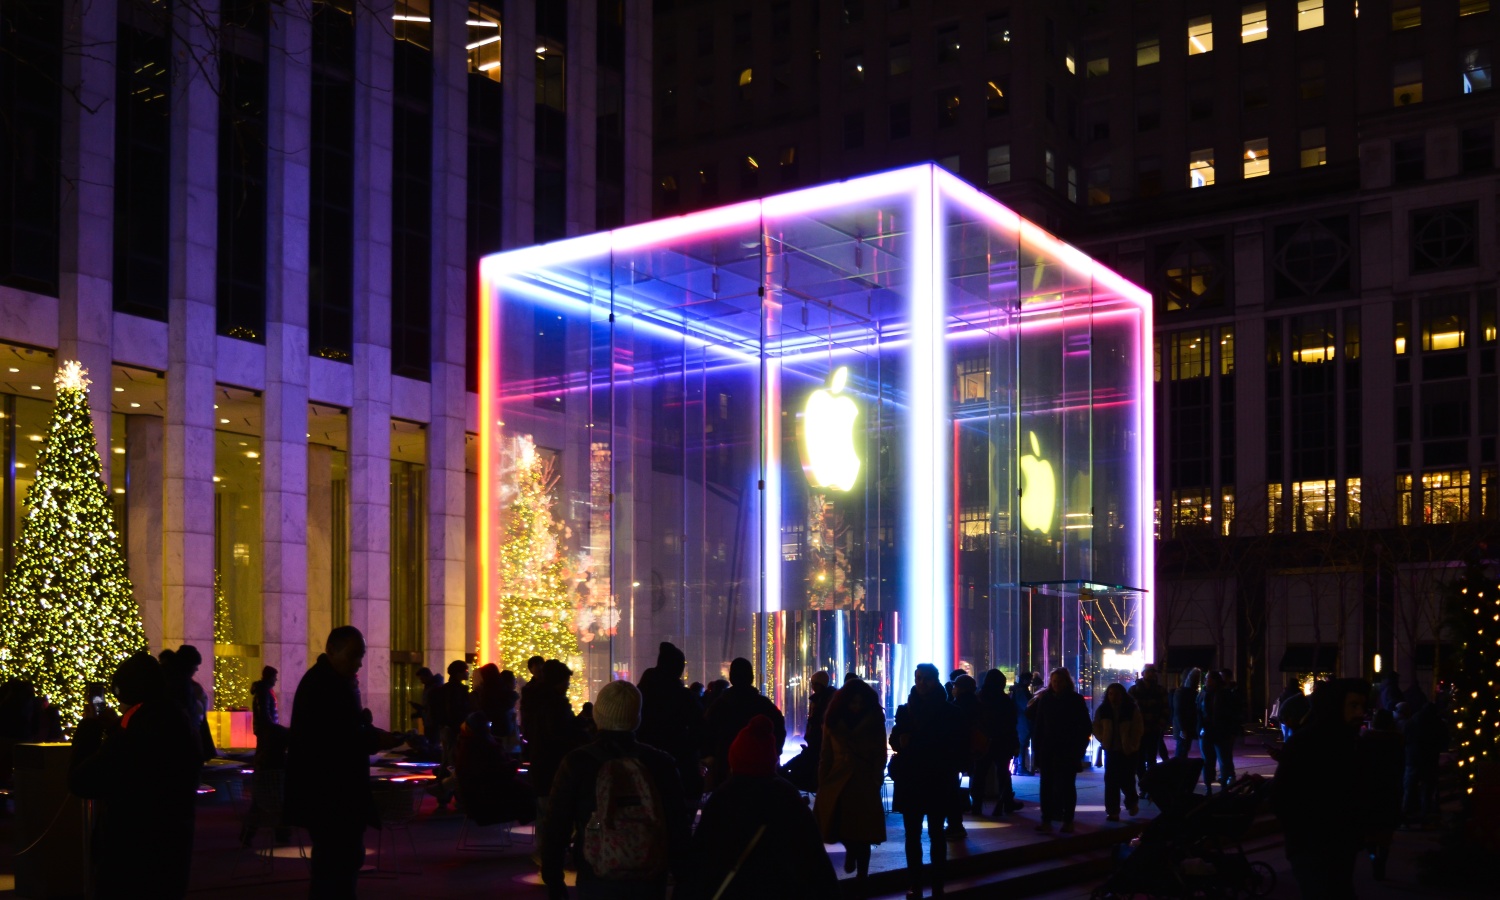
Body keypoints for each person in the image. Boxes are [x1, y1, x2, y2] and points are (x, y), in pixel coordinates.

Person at [542, 680, 691, 900]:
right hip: (649, 871)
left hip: (597, 872)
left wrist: (554, 880)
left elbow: (557, 826)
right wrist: (683, 878)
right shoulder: (661, 763)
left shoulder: (578, 762)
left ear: (598, 715)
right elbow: (678, 825)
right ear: (636, 719)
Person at [69, 651, 201, 898]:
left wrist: (89, 728)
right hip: (171, 849)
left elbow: (82, 780)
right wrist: (114, 728)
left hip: (129, 853)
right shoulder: (178, 721)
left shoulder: (137, 733)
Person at [285, 626, 399, 899]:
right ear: (331, 651)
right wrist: (375, 739)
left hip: (330, 794)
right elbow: (338, 738)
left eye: (361, 656)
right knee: (337, 864)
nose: (359, 662)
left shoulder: (329, 682)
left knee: (336, 863)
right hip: (331, 794)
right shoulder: (326, 686)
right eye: (354, 655)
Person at [688, 715, 839, 899]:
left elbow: (701, 856)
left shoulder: (723, 797)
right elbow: (813, 856)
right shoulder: (787, 796)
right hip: (780, 888)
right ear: (772, 759)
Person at [1273, 678, 1369, 899]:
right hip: (1312, 846)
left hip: (1340, 845)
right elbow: (1282, 796)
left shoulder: (1353, 744)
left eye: (1362, 706)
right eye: (1353, 705)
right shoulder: (1306, 744)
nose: (1360, 713)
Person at [889, 663, 967, 900]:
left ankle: (933, 884)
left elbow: (954, 746)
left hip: (932, 779)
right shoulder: (908, 710)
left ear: (935, 680)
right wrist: (899, 741)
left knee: (933, 834)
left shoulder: (948, 712)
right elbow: (895, 739)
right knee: (916, 835)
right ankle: (921, 883)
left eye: (926, 679)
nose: (921, 683)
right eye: (918, 678)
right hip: (921, 779)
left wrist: (910, 742)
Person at [814, 676, 887, 892]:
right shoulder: (833, 721)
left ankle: (862, 876)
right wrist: (823, 781)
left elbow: (880, 753)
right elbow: (825, 754)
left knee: (863, 834)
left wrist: (876, 777)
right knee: (841, 827)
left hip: (863, 781)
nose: (856, 706)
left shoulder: (874, 720)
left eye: (860, 702)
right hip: (839, 781)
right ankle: (852, 853)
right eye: (853, 702)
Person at [636, 641, 706, 808]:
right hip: (679, 764)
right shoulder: (684, 697)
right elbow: (700, 730)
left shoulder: (642, 692)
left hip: (643, 764)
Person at [524, 659, 589, 835]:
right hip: (554, 762)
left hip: (542, 761)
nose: (567, 686)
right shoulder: (555, 704)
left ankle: (545, 850)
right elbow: (558, 733)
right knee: (552, 809)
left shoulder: (535, 700)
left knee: (546, 808)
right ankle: (548, 851)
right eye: (566, 682)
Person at [703, 657, 786, 791]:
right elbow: (779, 731)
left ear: (731, 678)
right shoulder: (764, 705)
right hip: (762, 770)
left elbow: (706, 733)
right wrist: (773, 753)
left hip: (726, 769)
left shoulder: (719, 706)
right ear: (752, 677)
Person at [1028, 667, 1093, 833]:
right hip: (1050, 749)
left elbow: (1084, 726)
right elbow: (1039, 725)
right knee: (1048, 786)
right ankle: (1048, 818)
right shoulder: (1047, 699)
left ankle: (1065, 819)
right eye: (1054, 681)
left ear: (1066, 682)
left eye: (1059, 681)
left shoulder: (1072, 700)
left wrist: (1079, 748)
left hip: (1066, 749)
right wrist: (1037, 747)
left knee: (1066, 786)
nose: (1056, 684)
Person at [455, 711, 537, 826]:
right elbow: (497, 774)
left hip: (478, 800)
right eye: (488, 725)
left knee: (530, 792)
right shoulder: (482, 746)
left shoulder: (467, 744)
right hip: (489, 803)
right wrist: (514, 764)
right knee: (533, 796)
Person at [1359, 709, 1405, 880]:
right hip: (1390, 790)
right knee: (1386, 834)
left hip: (1370, 790)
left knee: (1370, 832)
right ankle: (1381, 862)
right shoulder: (1397, 741)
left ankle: (1373, 858)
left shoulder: (1366, 739)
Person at [973, 669, 1021, 817]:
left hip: (984, 741)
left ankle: (976, 806)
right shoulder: (1004, 700)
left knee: (979, 774)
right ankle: (1007, 802)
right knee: (1003, 773)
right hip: (1002, 741)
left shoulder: (979, 698)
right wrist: (1014, 743)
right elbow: (1011, 723)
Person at [1093, 682, 1143, 821]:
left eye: (1116, 694)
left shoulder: (1130, 709)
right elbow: (1096, 726)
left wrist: (1132, 744)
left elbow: (1138, 728)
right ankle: (1113, 810)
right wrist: (1102, 738)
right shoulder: (1103, 710)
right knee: (1111, 782)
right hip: (1111, 750)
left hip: (1128, 751)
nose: (1113, 697)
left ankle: (1131, 802)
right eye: (1110, 694)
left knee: (1127, 780)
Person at [1401, 690, 1447, 827]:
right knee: (1427, 790)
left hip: (1413, 759)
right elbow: (1444, 741)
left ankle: (1405, 818)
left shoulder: (1413, 721)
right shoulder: (1438, 723)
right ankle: (1425, 817)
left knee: (1409, 789)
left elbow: (1404, 738)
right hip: (1430, 760)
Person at [1127, 664, 1169, 787]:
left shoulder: (1159, 690)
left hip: (1153, 729)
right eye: (1149, 671)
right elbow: (1130, 710)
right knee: (1140, 759)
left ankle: (1148, 784)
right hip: (1141, 730)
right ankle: (1144, 784)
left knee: (1150, 758)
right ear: (1143, 673)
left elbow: (1165, 709)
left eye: (1152, 672)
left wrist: (1160, 724)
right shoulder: (1134, 690)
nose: (1151, 674)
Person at [1198, 670, 1240, 790]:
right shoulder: (1204, 694)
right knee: (1208, 761)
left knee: (1223, 759)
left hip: (1221, 731)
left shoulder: (1225, 694)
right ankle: (1209, 786)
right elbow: (1199, 713)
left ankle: (1222, 785)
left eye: (1208, 678)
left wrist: (1231, 731)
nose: (1206, 681)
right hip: (1207, 732)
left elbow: (1232, 714)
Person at [950, 673, 982, 829]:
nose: (953, 689)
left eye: (955, 686)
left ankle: (960, 808)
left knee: (955, 779)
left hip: (959, 746)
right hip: (973, 745)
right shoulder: (977, 702)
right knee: (975, 774)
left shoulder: (956, 704)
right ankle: (975, 804)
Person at [1173, 668, 1202, 760]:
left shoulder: (1185, 692)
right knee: (1182, 750)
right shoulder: (1183, 692)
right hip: (1185, 727)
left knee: (1183, 750)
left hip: (1185, 726)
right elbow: (1178, 711)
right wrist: (1182, 728)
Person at [1010, 670, 1035, 776]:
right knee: (1022, 744)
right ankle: (1021, 767)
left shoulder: (1017, 689)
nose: (1030, 682)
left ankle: (1018, 767)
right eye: (1029, 680)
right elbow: (1025, 705)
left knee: (1021, 744)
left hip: (1020, 719)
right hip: (1023, 720)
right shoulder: (1021, 690)